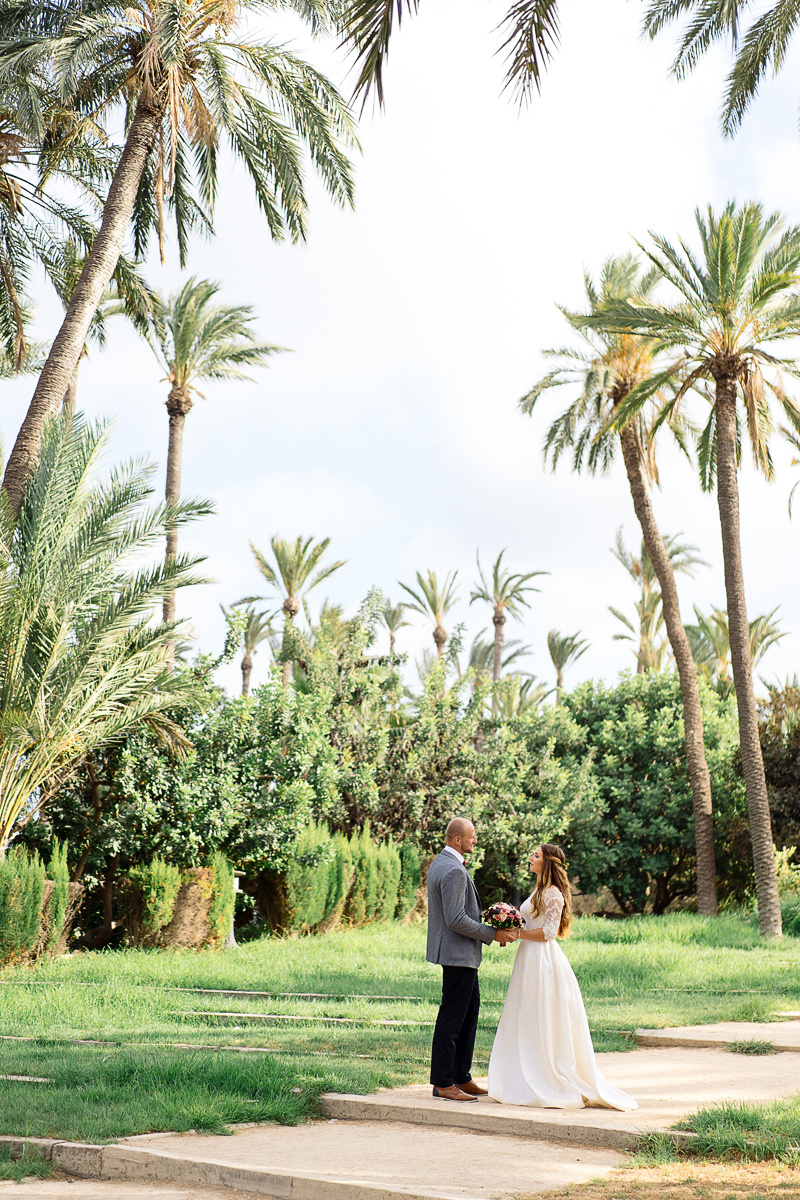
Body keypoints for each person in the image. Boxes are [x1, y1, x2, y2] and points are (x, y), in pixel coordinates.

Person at [488, 843, 637, 1111]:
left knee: (542, 1014)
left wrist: (516, 934)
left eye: (536, 855)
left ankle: (548, 1074)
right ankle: (522, 1073)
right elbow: (531, 922)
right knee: (525, 1013)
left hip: (543, 961)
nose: (531, 858)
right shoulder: (538, 890)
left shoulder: (553, 893)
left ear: (547, 863)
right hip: (527, 958)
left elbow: (547, 933)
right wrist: (508, 924)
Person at [427, 817, 518, 1103]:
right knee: (453, 1017)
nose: (475, 840)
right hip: (457, 953)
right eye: (471, 836)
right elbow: (455, 919)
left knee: (468, 1012)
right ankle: (443, 1082)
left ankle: (461, 1077)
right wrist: (493, 933)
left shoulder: (442, 863)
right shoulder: (453, 870)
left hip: (460, 954)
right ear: (456, 839)